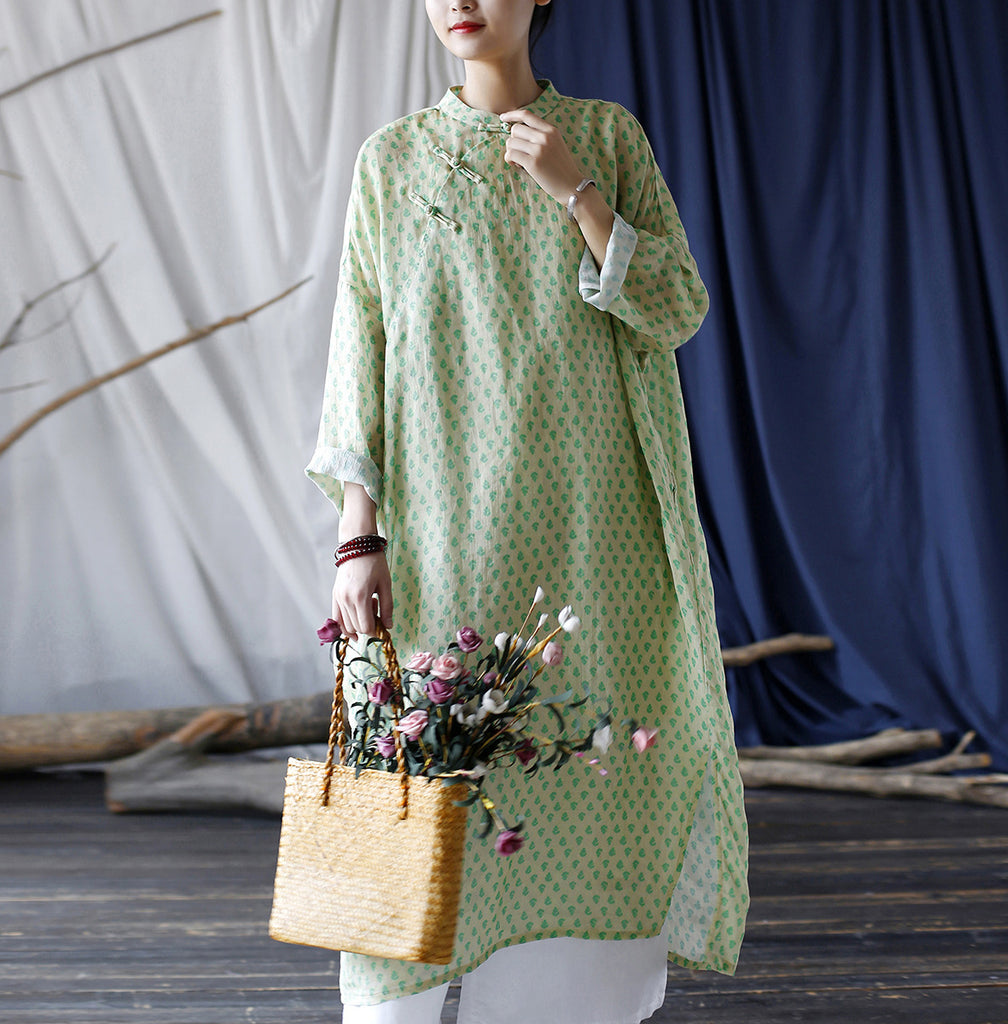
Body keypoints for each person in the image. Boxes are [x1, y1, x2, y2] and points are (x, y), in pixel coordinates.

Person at [305, 1, 749, 1021]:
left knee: (587, 777)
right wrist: (358, 532)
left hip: (595, 541)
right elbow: (360, 352)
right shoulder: (391, 160)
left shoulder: (605, 138)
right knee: (409, 772)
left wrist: (576, 191)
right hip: (442, 532)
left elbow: (676, 307)